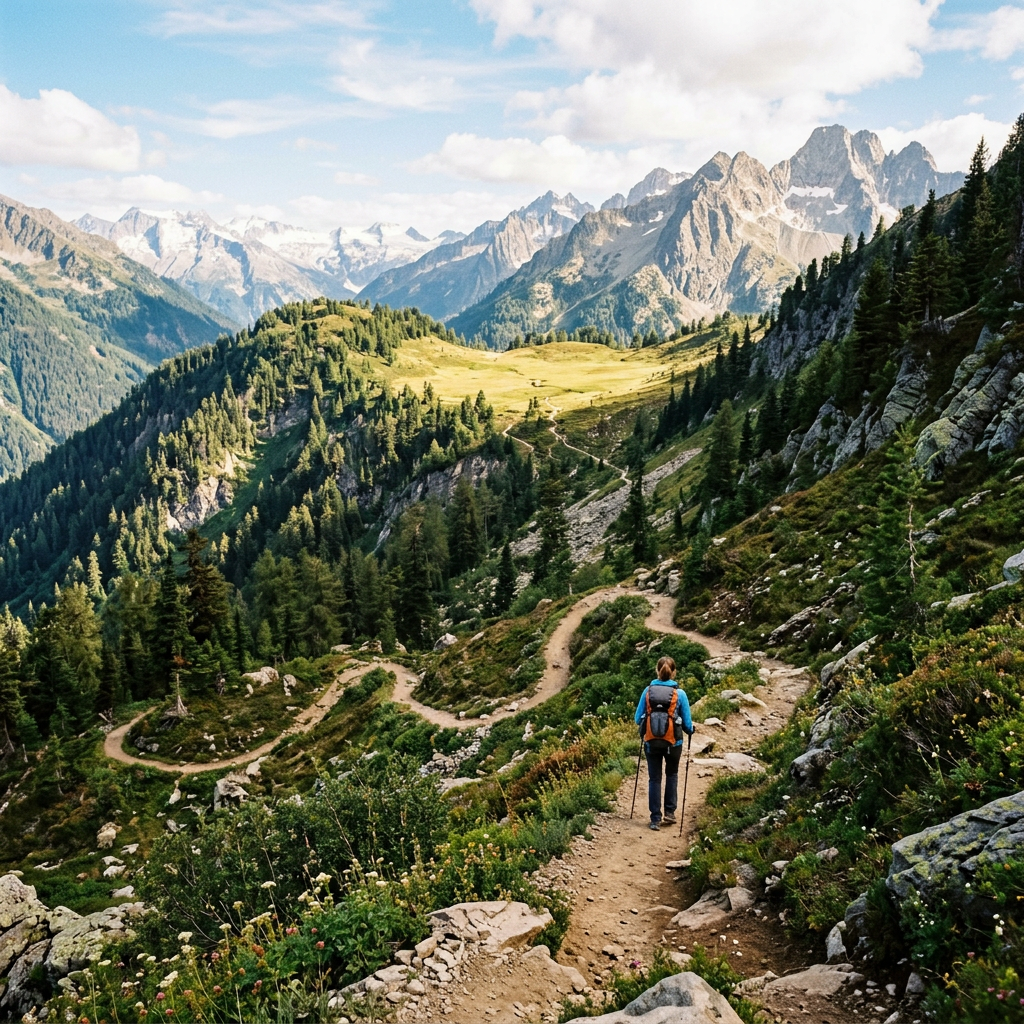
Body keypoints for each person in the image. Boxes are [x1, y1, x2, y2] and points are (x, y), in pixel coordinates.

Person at [634, 656, 694, 831]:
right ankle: (670, 812)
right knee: (672, 774)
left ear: (656, 671)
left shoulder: (647, 691)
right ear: (674, 672)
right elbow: (688, 725)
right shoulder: (680, 694)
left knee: (654, 778)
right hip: (673, 743)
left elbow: (638, 719)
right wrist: (690, 730)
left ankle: (655, 818)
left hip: (652, 742)